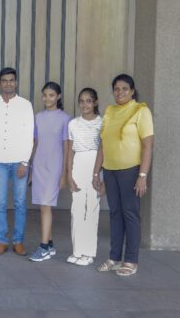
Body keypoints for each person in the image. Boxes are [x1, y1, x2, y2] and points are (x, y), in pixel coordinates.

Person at [93, 74, 153, 276]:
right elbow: (103, 145)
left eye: (124, 89)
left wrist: (142, 175)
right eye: (116, 89)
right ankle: (114, 257)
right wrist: (96, 173)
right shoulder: (110, 111)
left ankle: (131, 260)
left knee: (130, 214)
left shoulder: (140, 110)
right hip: (110, 171)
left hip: (131, 171)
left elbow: (148, 145)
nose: (120, 92)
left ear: (132, 91)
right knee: (115, 214)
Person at [0, 67, 34, 256]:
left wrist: (25, 162)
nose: (8, 84)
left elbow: (29, 135)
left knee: (20, 202)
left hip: (19, 161)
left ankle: (18, 241)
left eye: (11, 80)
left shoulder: (25, 105)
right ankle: (1, 240)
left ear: (16, 82)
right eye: (4, 80)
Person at [29, 82, 71, 262]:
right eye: (45, 95)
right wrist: (31, 169)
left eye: (51, 95)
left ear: (58, 96)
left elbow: (66, 147)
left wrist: (64, 174)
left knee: (46, 205)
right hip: (39, 166)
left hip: (55, 167)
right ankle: (50, 244)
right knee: (43, 206)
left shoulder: (65, 118)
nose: (47, 98)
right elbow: (35, 143)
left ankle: (44, 247)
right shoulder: (38, 117)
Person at [66, 88, 103, 266]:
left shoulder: (102, 123)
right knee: (77, 208)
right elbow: (70, 151)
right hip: (78, 163)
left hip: (95, 162)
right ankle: (77, 250)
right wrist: (69, 174)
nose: (85, 104)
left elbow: (104, 149)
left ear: (95, 102)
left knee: (92, 208)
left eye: (89, 101)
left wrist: (99, 173)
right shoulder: (73, 124)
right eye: (82, 101)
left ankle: (89, 252)